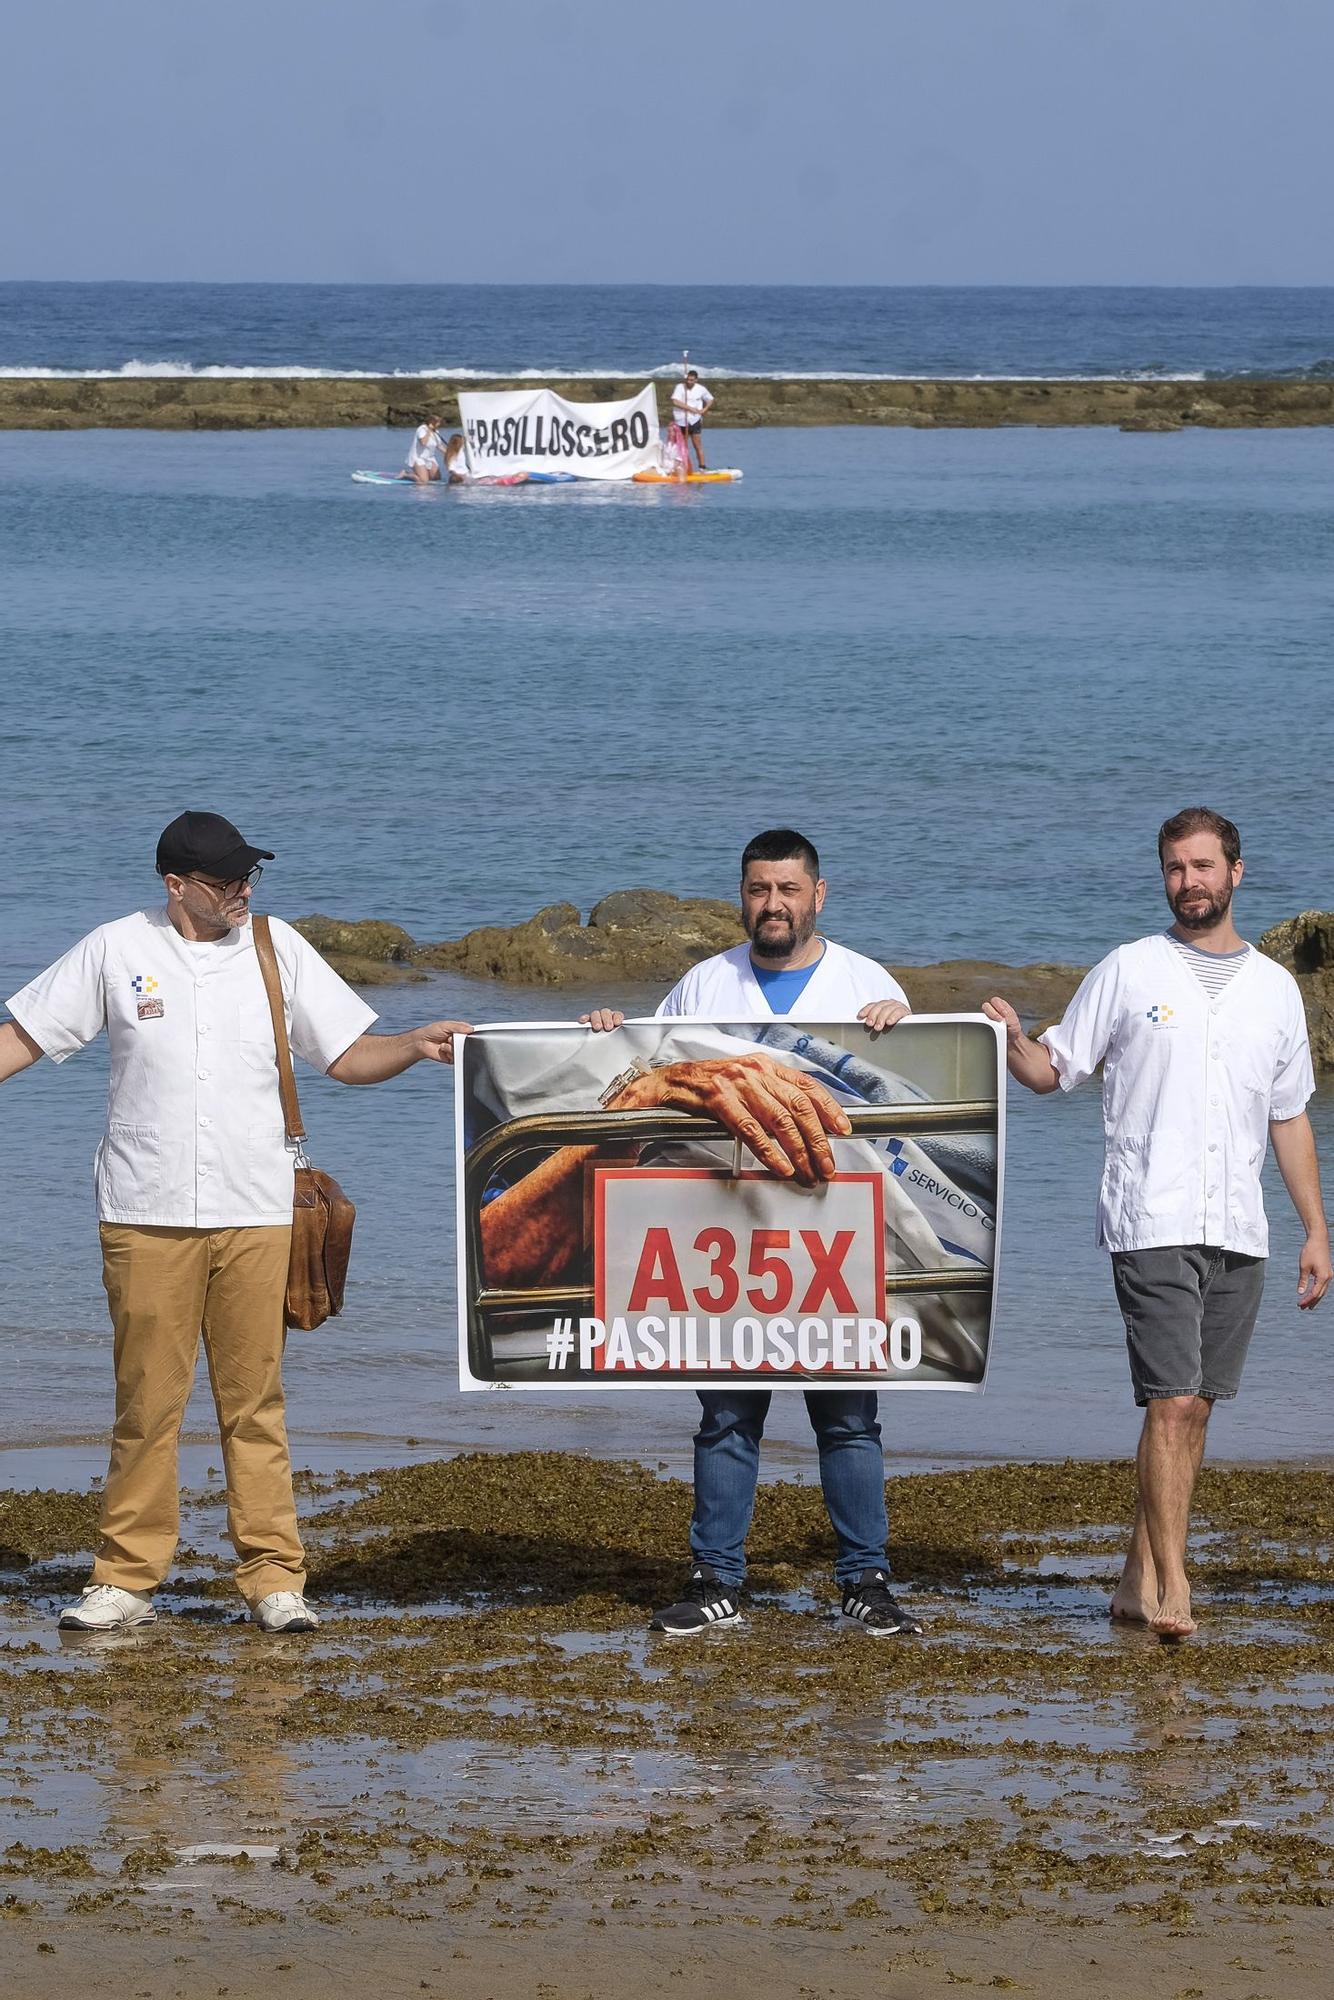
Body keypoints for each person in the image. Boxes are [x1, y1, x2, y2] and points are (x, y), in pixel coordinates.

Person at [0, 812, 471, 1636]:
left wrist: (413, 1044)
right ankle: (124, 1579)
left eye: (250, 876)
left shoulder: (277, 946)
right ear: (176, 885)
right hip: (143, 1212)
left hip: (259, 1210)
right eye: (226, 882)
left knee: (254, 1403)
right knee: (147, 1403)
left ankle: (274, 1579)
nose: (244, 891)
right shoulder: (116, 948)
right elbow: (24, 1038)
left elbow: (348, 1058)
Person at [984, 807, 1329, 1638]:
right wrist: (1006, 1037)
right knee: (1172, 1402)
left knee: (1198, 1407)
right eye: (1176, 868)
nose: (1190, 883)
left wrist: (1317, 1228)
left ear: (1236, 873)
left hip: (1240, 1226)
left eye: (1204, 867)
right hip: (1151, 1217)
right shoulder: (1130, 970)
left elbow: (1288, 1119)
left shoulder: (1277, 990)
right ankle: (1176, 1585)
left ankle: (1136, 1581)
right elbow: (1052, 1070)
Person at [581, 828, 925, 1639]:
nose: (772, 904)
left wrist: (904, 1022)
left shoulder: (864, 981)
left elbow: (904, 1101)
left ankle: (864, 1581)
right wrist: (604, 1031)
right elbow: (639, 1075)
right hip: (721, 1228)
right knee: (728, 1411)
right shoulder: (705, 982)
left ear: (819, 894)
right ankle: (716, 1582)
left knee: (846, 1415)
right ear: (742, 895)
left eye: (788, 890)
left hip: (830, 1233)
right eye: (758, 889)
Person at [670, 369, 714, 471]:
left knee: (697, 444)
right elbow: (675, 401)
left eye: (691, 380)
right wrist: (690, 408)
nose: (689, 382)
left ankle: (702, 467)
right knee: (682, 445)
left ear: (696, 380)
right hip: (681, 419)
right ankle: (682, 467)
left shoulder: (701, 389)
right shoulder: (680, 387)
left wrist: (704, 410)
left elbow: (710, 399)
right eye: (688, 380)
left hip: (694, 420)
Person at [403, 415, 447, 483]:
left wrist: (449, 453)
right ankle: (405, 474)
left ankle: (421, 472)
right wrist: (429, 431)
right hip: (418, 458)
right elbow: (423, 442)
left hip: (430, 458)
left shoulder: (436, 432)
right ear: (431, 423)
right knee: (423, 481)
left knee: (436, 478)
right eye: (438, 422)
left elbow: (439, 446)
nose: (439, 424)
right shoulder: (421, 429)